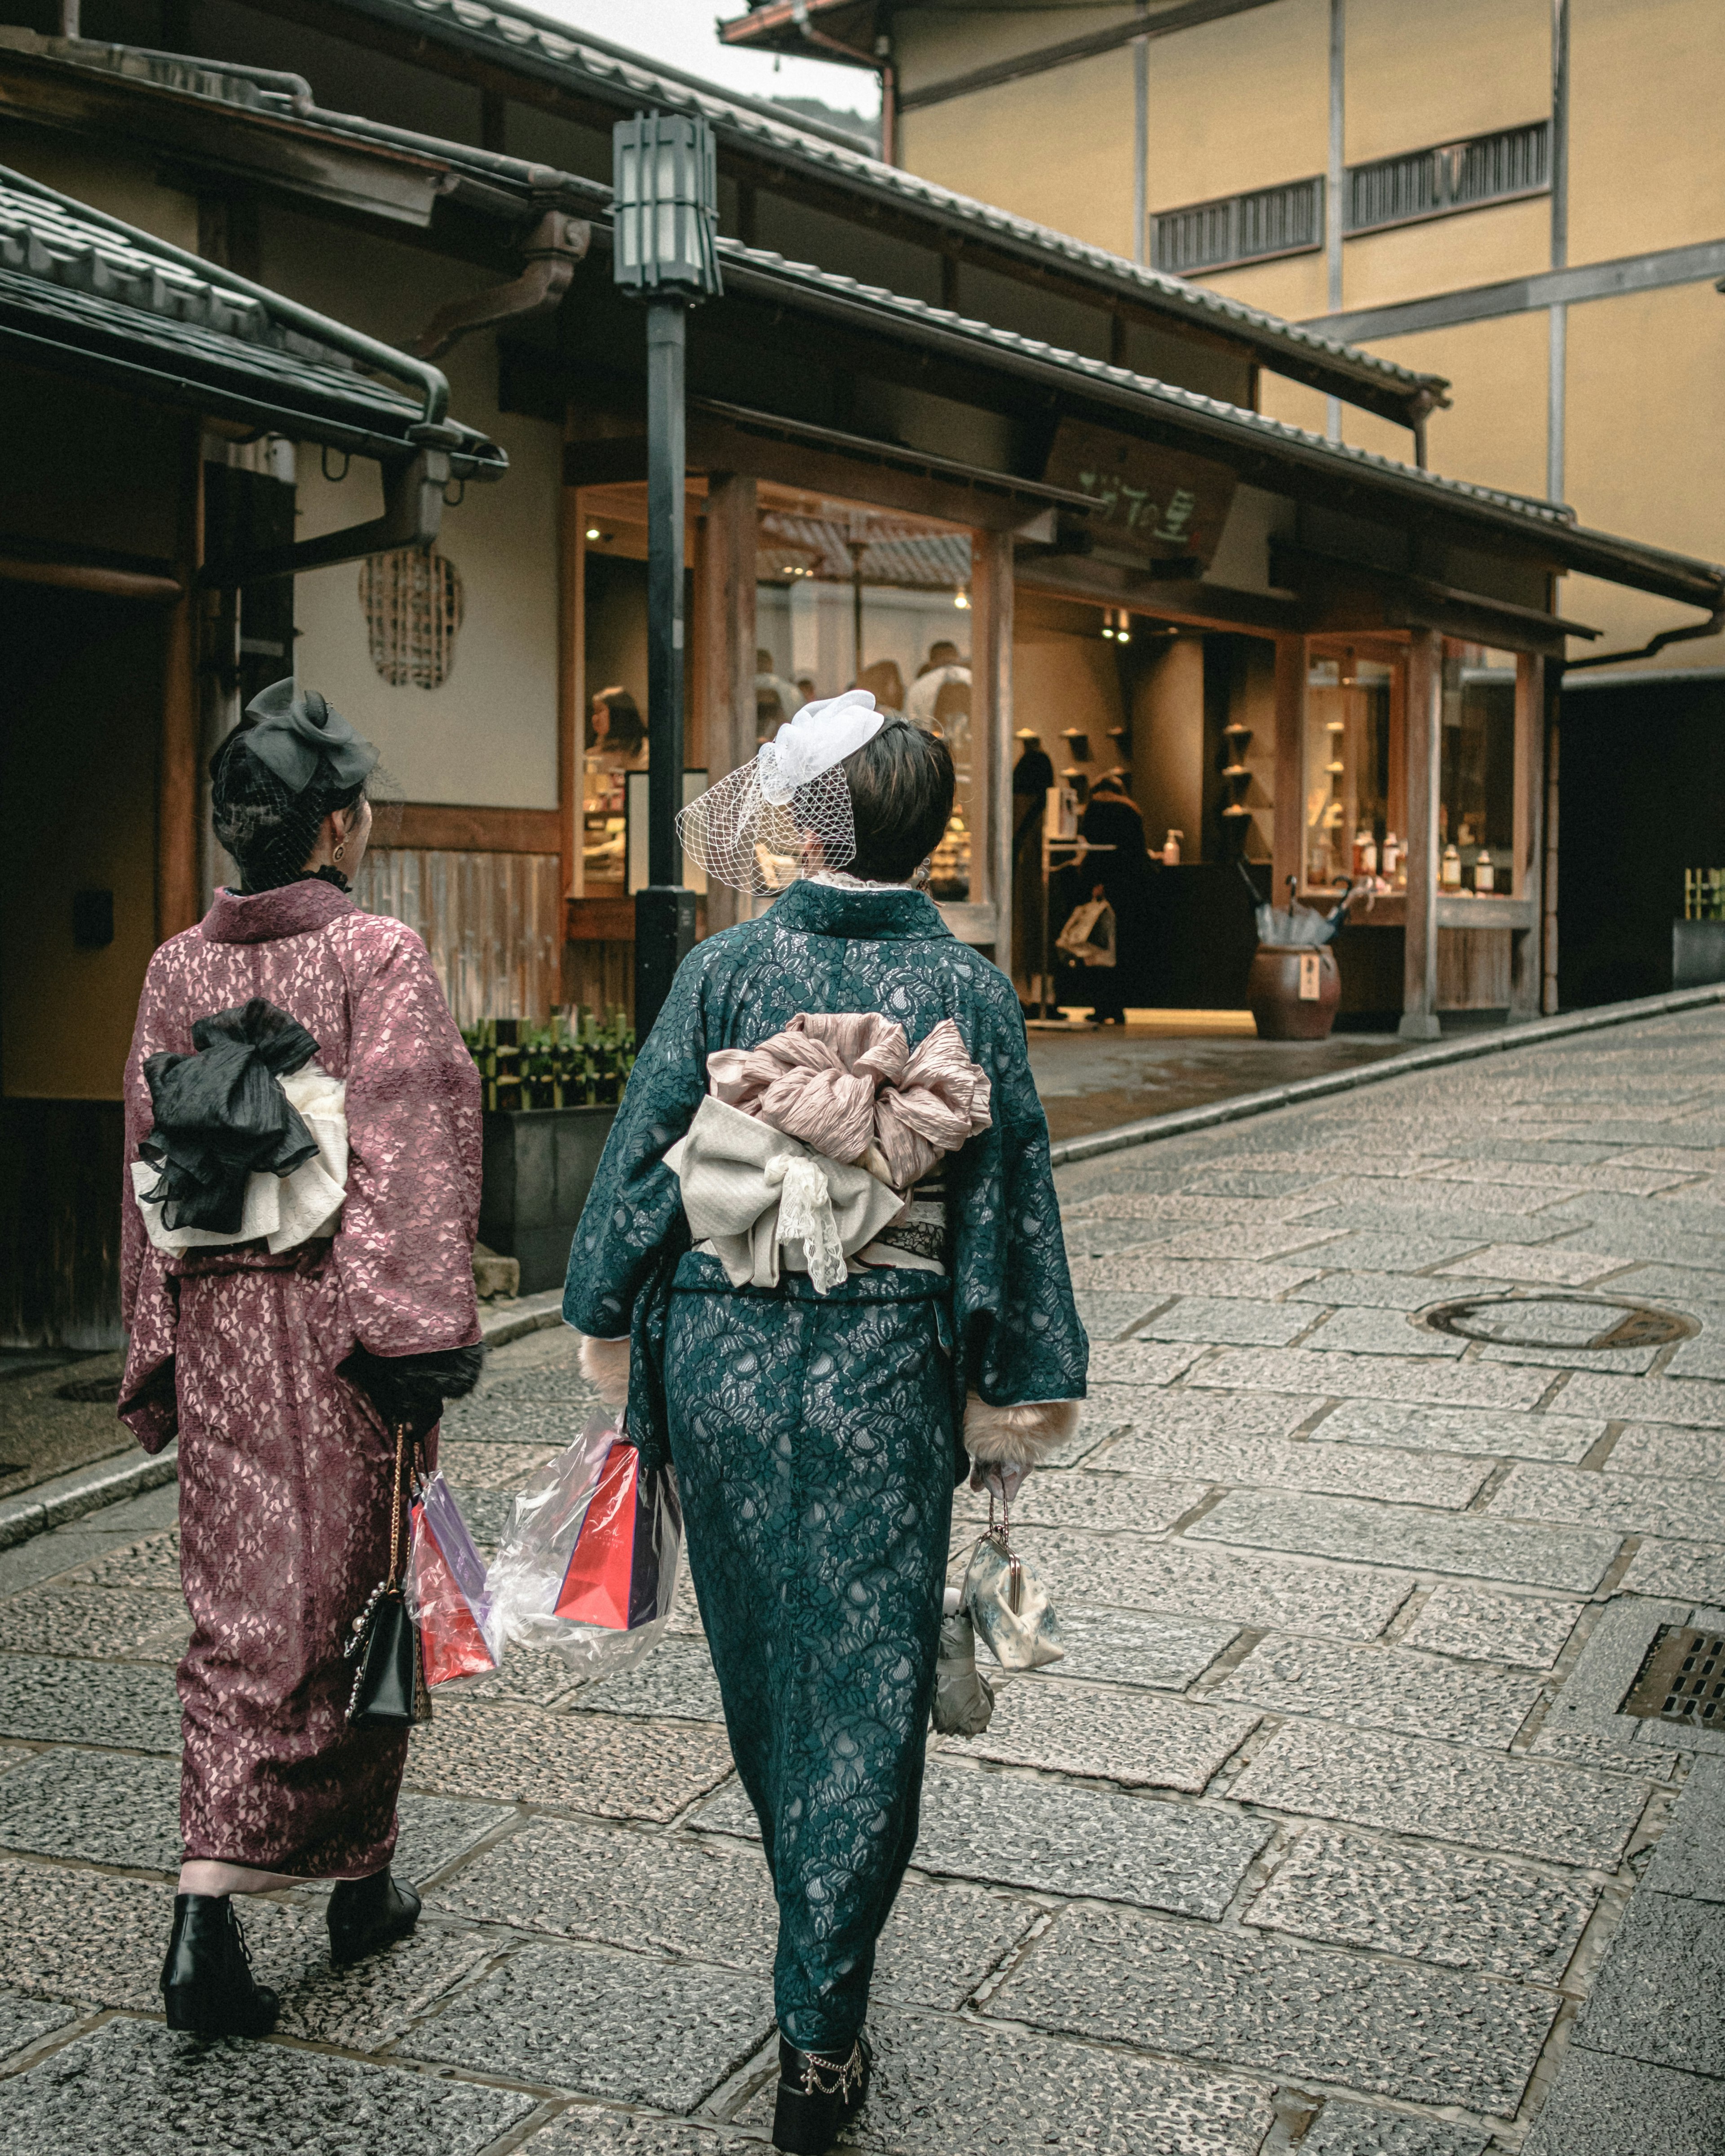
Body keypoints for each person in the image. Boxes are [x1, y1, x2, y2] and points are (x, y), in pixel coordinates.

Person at [563, 693, 1087, 2156]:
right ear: (936, 838)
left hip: (730, 1366)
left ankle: (811, 1951)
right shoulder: (971, 994)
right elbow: (1013, 1198)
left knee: (769, 1676)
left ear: (807, 826)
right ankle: (823, 2023)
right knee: (863, 1692)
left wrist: (603, 1299)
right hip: (882, 1378)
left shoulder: (730, 968)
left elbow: (653, 1155)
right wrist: (1016, 1380)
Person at [119, 679, 485, 2038]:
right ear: (337, 825)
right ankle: (351, 1883)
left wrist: (157, 1336)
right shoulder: (372, 953)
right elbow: (404, 1136)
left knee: (235, 1616)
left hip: (220, 1322)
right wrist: (414, 1337)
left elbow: (145, 1163)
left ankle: (209, 1914)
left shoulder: (176, 969)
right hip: (336, 1328)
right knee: (352, 1599)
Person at [1077, 769, 1154, 1023]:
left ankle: (1101, 1007)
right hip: (1133, 885)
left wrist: (1097, 883)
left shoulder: (1096, 809)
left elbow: (1094, 847)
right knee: (1124, 948)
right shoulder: (1132, 810)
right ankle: (1119, 1009)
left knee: (1100, 947)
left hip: (1106, 885)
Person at [587, 684, 647, 766]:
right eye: (595, 712)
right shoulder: (592, 755)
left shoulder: (645, 751)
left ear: (618, 714)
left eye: (600, 711)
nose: (594, 718)